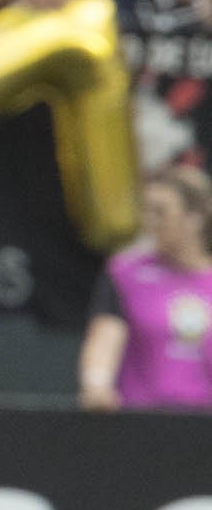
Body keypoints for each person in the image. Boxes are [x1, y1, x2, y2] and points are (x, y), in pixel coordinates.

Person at [79, 165, 212, 411]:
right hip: (141, 424)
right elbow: (105, 337)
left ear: (195, 218)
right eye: (147, 211)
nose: (150, 222)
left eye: (161, 213)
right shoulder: (125, 272)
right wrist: (96, 384)